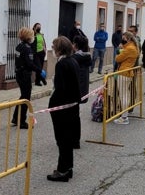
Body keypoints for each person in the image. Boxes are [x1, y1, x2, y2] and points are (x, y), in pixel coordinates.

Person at [47, 36, 81, 182]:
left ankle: (62, 171)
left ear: (60, 49)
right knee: (67, 139)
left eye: (54, 47)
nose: (53, 50)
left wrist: (53, 105)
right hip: (72, 106)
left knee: (62, 140)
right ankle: (68, 168)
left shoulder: (62, 64)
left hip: (63, 108)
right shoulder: (72, 61)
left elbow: (60, 88)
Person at [11, 27, 38, 129]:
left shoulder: (19, 46)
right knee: (26, 98)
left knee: (23, 96)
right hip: (25, 75)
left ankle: (15, 118)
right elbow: (29, 64)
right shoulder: (27, 48)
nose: (33, 37)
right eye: (32, 35)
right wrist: (39, 70)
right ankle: (21, 121)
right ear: (28, 36)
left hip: (19, 74)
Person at [113, 31, 139, 125]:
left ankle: (124, 117)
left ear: (128, 39)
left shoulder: (130, 48)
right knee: (125, 95)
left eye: (123, 38)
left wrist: (120, 50)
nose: (122, 40)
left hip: (124, 73)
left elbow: (118, 59)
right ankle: (124, 115)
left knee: (123, 96)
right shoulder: (132, 47)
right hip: (126, 73)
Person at [71, 35, 91, 149]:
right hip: (81, 91)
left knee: (71, 116)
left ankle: (72, 140)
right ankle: (76, 140)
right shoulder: (87, 57)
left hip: (74, 91)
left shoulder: (75, 58)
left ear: (76, 45)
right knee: (76, 116)